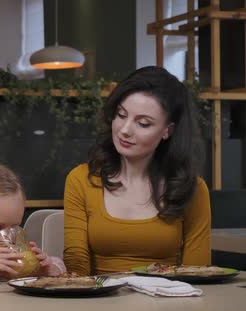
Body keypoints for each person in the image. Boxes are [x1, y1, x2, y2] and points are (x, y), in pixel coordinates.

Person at [63, 66, 211, 276]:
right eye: (121, 115)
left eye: (143, 123)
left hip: (169, 304)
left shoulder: (192, 189)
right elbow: (76, 267)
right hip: (98, 301)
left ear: (167, 131)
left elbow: (197, 272)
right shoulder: (81, 180)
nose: (124, 130)